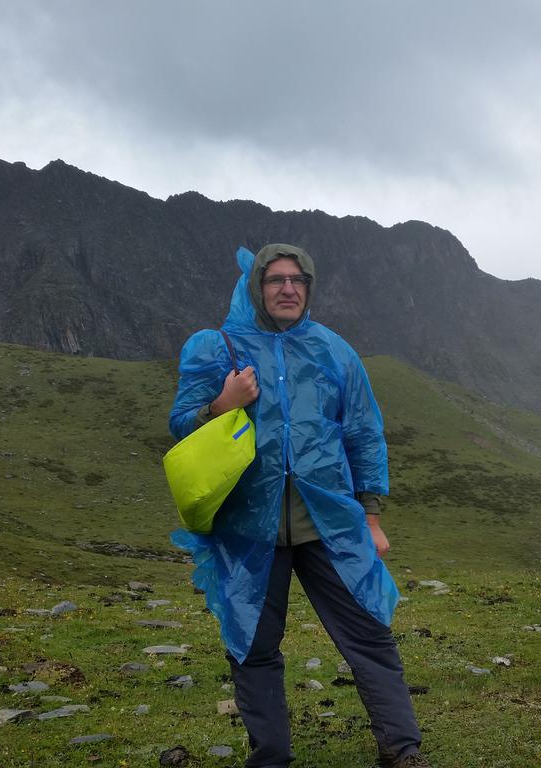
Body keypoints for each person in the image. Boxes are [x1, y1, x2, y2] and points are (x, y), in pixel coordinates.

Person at [169, 243, 429, 768]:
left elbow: (363, 432)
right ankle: (271, 759)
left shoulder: (335, 350)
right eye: (277, 280)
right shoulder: (218, 348)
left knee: (368, 635)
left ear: (308, 289)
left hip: (326, 523)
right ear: (257, 287)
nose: (288, 289)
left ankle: (402, 750)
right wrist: (223, 404)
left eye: (298, 281)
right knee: (254, 647)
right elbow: (180, 424)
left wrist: (371, 516)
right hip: (248, 526)